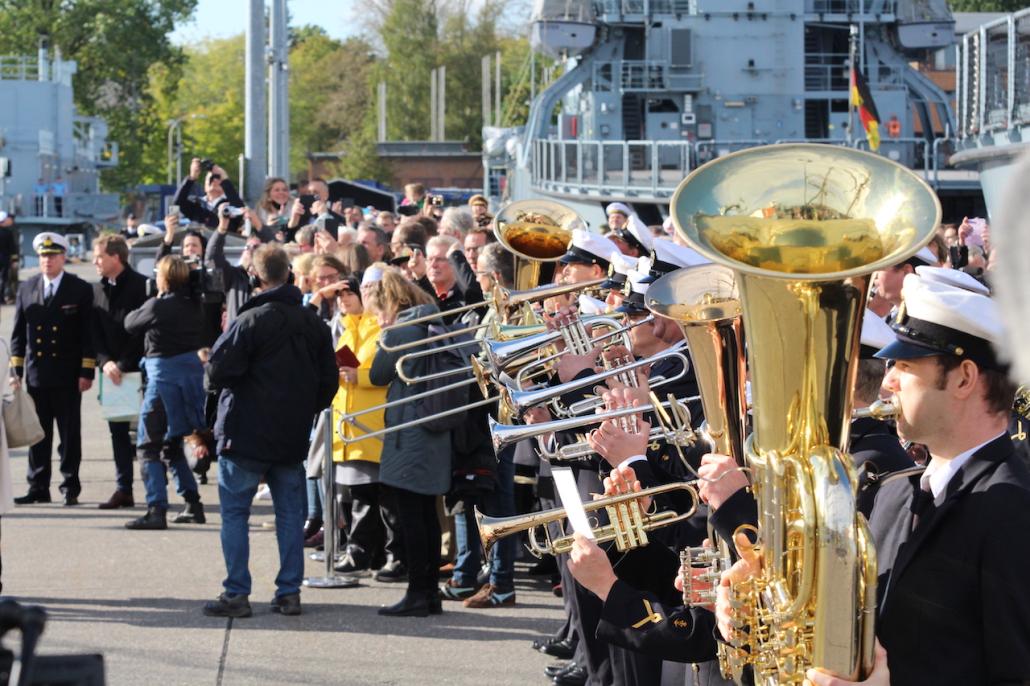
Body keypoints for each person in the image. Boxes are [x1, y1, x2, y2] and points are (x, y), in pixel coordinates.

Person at [203, 244, 338, 618]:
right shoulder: (312, 323)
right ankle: (289, 591)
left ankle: (236, 593)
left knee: (234, 514)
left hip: (245, 430)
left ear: (256, 278)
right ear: (290, 276)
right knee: (290, 514)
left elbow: (216, 372)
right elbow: (328, 383)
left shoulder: (250, 320)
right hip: (291, 433)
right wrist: (302, 409)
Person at [368, 271, 450, 617]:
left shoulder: (400, 331)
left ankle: (418, 592)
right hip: (435, 433)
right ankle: (429, 592)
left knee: (411, 517)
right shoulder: (436, 324)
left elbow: (377, 375)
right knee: (427, 515)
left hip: (409, 433)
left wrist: (383, 334)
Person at [122, 256, 208, 530]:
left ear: (165, 278)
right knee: (173, 445)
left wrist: (156, 298)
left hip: (162, 380)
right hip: (190, 379)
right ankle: (192, 503)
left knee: (148, 445)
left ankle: (156, 507)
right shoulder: (194, 304)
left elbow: (130, 323)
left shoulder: (158, 305)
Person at [10, 233, 95, 506]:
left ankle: (70, 485)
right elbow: (18, 336)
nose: (47, 260)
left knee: (69, 434)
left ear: (63, 257)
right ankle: (38, 485)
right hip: (37, 374)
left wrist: (86, 371)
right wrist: (16, 373)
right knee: (38, 433)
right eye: (44, 256)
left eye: (53, 255)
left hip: (68, 374)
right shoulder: (27, 287)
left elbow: (87, 334)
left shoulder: (79, 288)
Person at [330, 276, 401, 576]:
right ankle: (361, 552)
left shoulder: (381, 327)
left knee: (383, 500)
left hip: (373, 423)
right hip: (349, 425)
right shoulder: (348, 327)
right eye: (340, 295)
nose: (344, 299)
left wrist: (359, 376)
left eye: (350, 293)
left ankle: (388, 556)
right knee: (356, 496)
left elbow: (388, 370)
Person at [91, 234, 149, 509]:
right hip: (112, 372)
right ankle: (123, 488)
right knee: (117, 433)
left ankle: (155, 493)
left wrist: (125, 363)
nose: (95, 262)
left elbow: (143, 332)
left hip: (138, 370)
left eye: (100, 256)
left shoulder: (141, 286)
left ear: (116, 257)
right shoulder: (97, 289)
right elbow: (94, 333)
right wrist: (105, 362)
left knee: (150, 435)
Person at [172, 158, 244, 230]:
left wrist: (225, 180)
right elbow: (177, 202)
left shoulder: (230, 203)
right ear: (205, 186)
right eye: (211, 179)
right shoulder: (197, 204)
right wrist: (192, 177)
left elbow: (240, 209)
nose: (214, 181)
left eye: (217, 178)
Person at [0, 212, 18, 304]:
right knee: (3, 279)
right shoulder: (8, 232)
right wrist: (15, 260)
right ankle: (1, 299)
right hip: (4, 259)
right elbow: (13, 248)